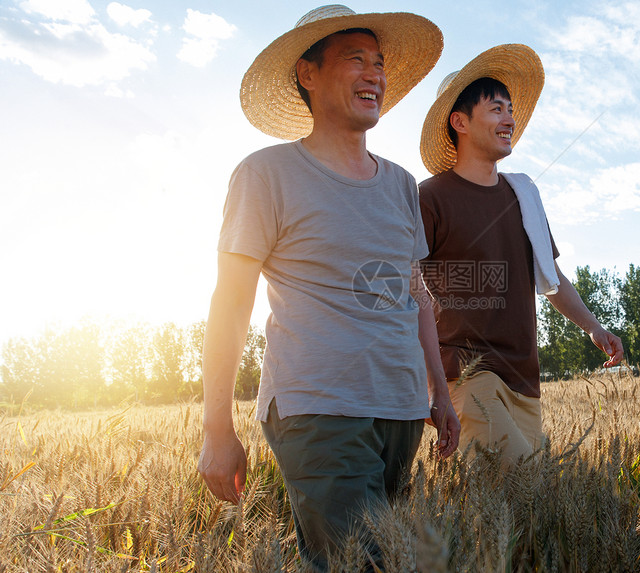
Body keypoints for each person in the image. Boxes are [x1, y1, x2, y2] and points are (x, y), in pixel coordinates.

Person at [196, 5, 459, 570]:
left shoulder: (401, 185)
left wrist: (438, 391)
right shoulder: (265, 175)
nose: (375, 74)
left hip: (401, 408)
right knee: (361, 564)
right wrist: (216, 427)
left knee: (381, 558)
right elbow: (231, 301)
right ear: (307, 74)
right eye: (354, 60)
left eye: (380, 63)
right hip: (319, 408)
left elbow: (415, 296)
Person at [417, 44, 624, 467]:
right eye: (496, 109)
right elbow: (406, 287)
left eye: (510, 110)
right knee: (520, 484)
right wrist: (430, 382)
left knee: (522, 510)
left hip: (525, 378)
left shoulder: (523, 194)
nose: (510, 119)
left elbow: (552, 278)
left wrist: (594, 328)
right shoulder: (429, 198)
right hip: (466, 373)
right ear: (460, 121)